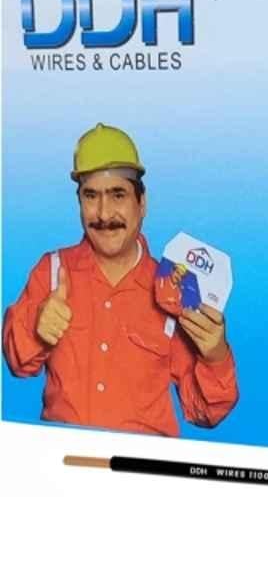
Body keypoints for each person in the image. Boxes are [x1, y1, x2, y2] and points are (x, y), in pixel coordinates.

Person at [2, 123, 239, 436]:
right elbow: (17, 363)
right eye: (91, 196)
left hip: (140, 464)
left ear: (142, 203)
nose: (104, 213)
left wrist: (215, 356)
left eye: (118, 195)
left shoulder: (175, 288)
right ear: (79, 202)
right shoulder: (52, 270)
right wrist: (36, 327)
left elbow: (203, 412)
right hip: (65, 461)